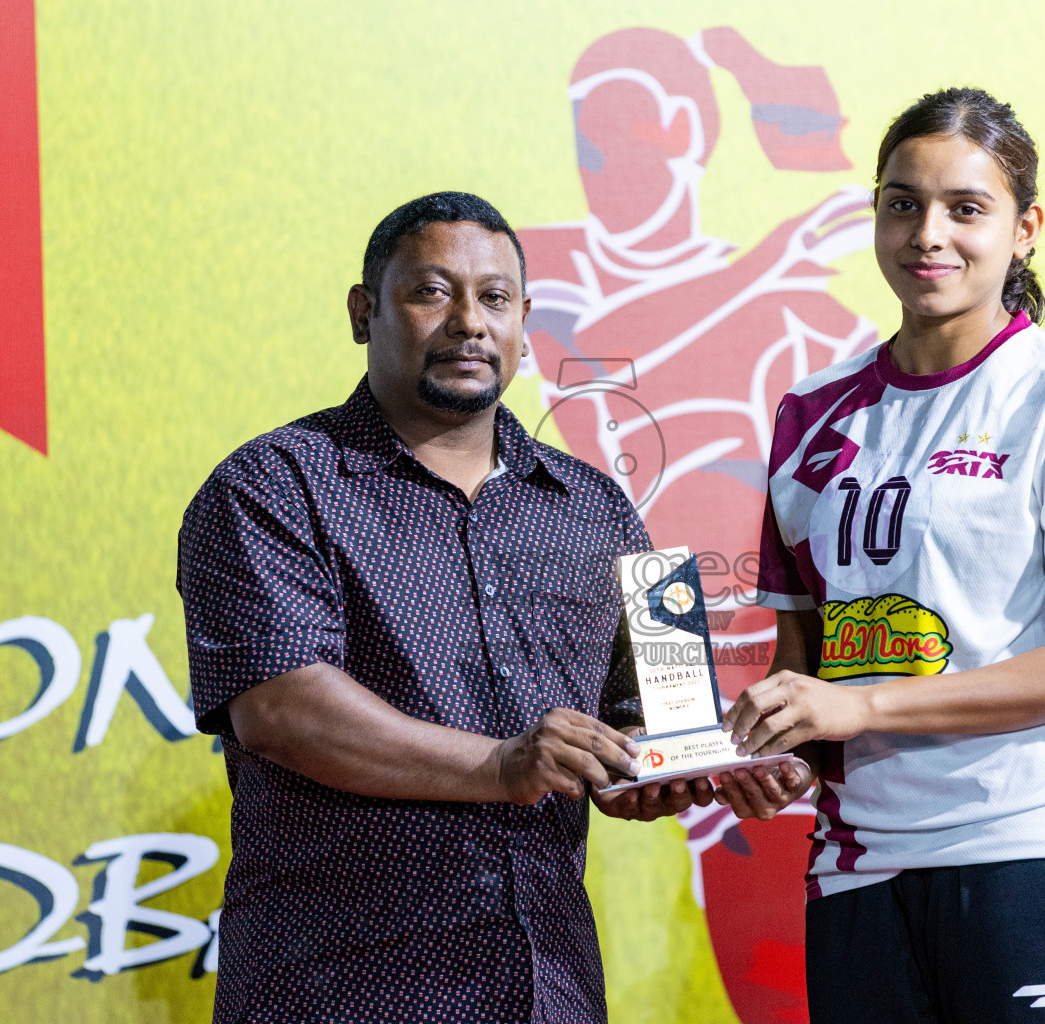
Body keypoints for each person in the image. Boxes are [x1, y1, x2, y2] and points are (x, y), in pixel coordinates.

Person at [176, 191, 725, 1024]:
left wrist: (707, 767)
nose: (469, 321)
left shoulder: (607, 506)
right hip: (335, 987)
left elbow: (676, 710)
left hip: (550, 989)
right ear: (364, 312)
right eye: (432, 291)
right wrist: (506, 764)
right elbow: (281, 710)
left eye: (495, 298)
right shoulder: (268, 485)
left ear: (525, 320)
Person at [723, 89, 1045, 1022]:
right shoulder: (811, 412)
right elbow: (807, 667)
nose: (929, 233)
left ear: (1025, 228)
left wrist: (860, 704)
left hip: (1035, 850)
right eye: (902, 203)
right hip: (860, 867)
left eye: (966, 209)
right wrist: (773, 752)